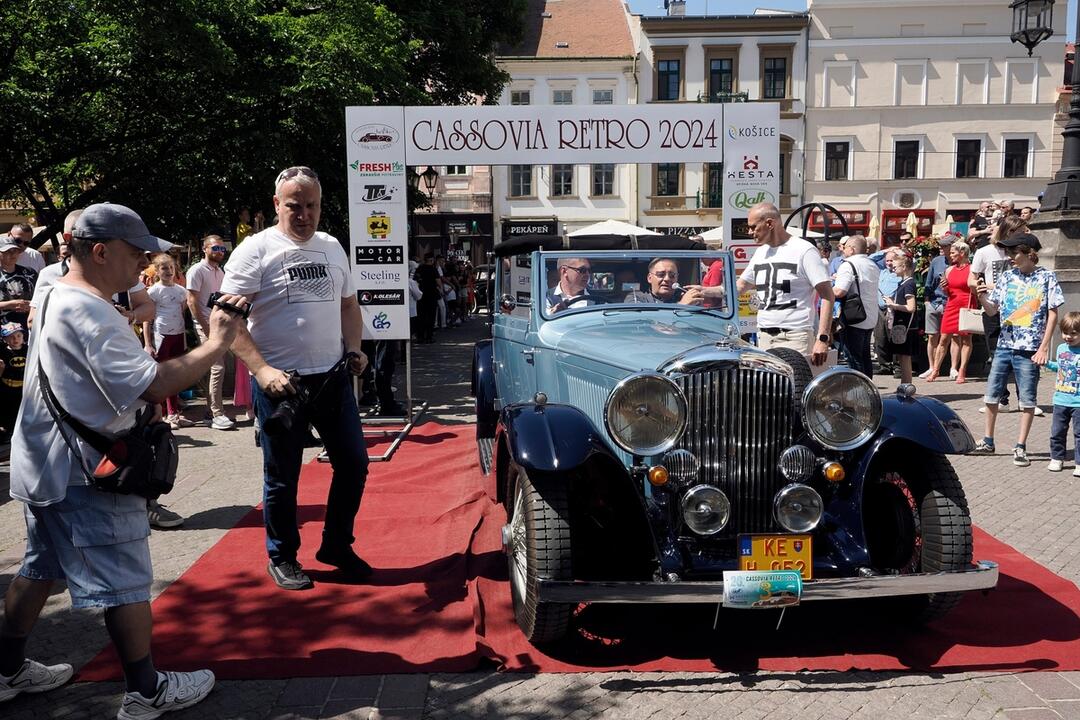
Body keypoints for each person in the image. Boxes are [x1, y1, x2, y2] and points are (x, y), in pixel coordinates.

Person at [0, 202, 247, 715]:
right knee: (128, 581)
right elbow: (155, 381)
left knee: (41, 565)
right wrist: (220, 341)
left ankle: (7, 670)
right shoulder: (89, 309)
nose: (146, 263)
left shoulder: (51, 285)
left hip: (44, 463)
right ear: (99, 250)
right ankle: (146, 690)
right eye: (136, 253)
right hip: (89, 471)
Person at [221, 166, 371, 592]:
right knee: (283, 476)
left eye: (311, 206)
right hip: (281, 384)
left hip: (333, 378)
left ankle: (336, 546)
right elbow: (227, 320)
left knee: (355, 464)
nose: (304, 214)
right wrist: (262, 371)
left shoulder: (331, 246)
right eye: (294, 206)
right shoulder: (255, 250)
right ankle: (282, 554)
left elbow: (349, 305)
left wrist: (355, 347)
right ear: (276, 206)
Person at [972, 233, 1063, 465]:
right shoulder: (1007, 277)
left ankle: (1020, 446)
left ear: (1029, 253)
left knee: (1028, 399)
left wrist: (1044, 347)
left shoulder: (1046, 277)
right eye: (1009, 253)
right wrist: (981, 296)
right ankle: (988, 440)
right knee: (992, 394)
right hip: (1004, 344)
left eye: (1014, 252)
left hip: (1030, 348)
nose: (1010, 257)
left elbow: (1053, 313)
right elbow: (993, 311)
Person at [736, 202, 834, 364]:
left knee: (796, 387)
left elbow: (828, 295)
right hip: (765, 336)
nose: (750, 232)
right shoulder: (761, 253)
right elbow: (739, 287)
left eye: (753, 227)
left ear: (769, 224)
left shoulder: (804, 250)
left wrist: (822, 338)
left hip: (796, 336)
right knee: (769, 388)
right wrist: (705, 292)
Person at [26, 209, 156, 330]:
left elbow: (148, 307)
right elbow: (33, 322)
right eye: (135, 253)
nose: (145, 263)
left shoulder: (122, 272)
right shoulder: (50, 274)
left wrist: (129, 316)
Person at [970, 214, 1030, 413]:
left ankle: (1026, 400)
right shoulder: (985, 252)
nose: (1025, 234)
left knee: (1022, 355)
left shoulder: (1023, 252)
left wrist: (992, 284)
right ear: (1010, 232)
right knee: (997, 355)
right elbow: (972, 279)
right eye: (1021, 232)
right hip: (992, 308)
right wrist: (979, 287)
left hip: (1017, 309)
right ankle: (1001, 399)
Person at [186, 235, 235, 430]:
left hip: (219, 324)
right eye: (215, 248)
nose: (219, 252)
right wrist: (205, 327)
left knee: (215, 368)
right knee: (218, 368)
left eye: (222, 249)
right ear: (204, 249)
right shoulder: (197, 270)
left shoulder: (219, 271)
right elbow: (191, 301)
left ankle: (210, 411)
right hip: (206, 325)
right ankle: (217, 413)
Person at [143, 254, 192, 430]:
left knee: (177, 375)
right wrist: (148, 344)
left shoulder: (180, 290)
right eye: (164, 268)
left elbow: (183, 310)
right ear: (156, 271)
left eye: (171, 268)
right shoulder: (153, 291)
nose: (168, 271)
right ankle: (165, 414)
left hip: (178, 335)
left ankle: (174, 413)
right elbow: (147, 319)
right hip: (162, 336)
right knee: (163, 376)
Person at [831, 235, 880, 377]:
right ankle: (869, 389)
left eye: (845, 247)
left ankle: (861, 394)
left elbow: (840, 291)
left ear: (852, 249)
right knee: (865, 357)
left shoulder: (848, 265)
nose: (842, 250)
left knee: (853, 358)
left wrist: (826, 290)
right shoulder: (872, 264)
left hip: (854, 317)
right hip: (869, 315)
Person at [928, 241, 974, 383]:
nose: (951, 255)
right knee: (943, 338)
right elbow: (948, 293)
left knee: (966, 339)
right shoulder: (949, 270)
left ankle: (962, 370)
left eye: (953, 252)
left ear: (962, 253)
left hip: (966, 304)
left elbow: (974, 290)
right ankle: (935, 369)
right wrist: (944, 287)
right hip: (952, 304)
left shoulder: (972, 269)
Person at [1045, 312, 1080, 474]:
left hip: (1078, 402)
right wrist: (1046, 363)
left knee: (1079, 434)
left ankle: (1079, 463)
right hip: (1060, 399)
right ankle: (1057, 458)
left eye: (1074, 333)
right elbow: (1059, 367)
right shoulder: (1060, 349)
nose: (1068, 337)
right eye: (1066, 333)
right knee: (1057, 431)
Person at [919, 231, 958, 379]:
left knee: (953, 337)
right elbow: (928, 283)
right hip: (935, 302)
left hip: (951, 302)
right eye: (940, 245)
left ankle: (953, 368)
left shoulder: (959, 262)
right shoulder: (936, 261)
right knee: (932, 336)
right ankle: (931, 367)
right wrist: (927, 301)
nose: (941, 248)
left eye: (945, 245)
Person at [883, 252, 917, 384]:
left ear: (904, 267)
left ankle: (907, 385)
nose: (893, 268)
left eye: (896, 266)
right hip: (902, 324)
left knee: (905, 357)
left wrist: (893, 305)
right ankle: (905, 384)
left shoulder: (908, 284)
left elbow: (911, 307)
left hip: (906, 325)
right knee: (902, 357)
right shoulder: (904, 283)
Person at [623, 258, 704, 305]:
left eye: (672, 275)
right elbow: (640, 319)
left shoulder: (686, 297)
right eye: (661, 274)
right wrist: (682, 305)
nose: (667, 279)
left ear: (677, 279)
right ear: (649, 278)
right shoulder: (636, 298)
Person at [0, 236, 36, 330]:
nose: (13, 254)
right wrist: (10, 305)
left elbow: (42, 296)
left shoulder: (30, 272)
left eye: (15, 250)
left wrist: (32, 304)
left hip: (29, 326)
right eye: (7, 251)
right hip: (4, 329)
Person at [0, 322, 26, 442]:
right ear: (5, 339)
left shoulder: (27, 350)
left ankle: (23, 430)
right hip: (7, 387)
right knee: (8, 410)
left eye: (18, 336)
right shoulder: (3, 353)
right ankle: (9, 431)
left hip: (23, 387)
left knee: (22, 409)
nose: (15, 339)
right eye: (11, 337)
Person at [415, 254, 439, 343]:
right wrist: (440, 289)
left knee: (421, 316)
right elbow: (438, 281)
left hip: (421, 295)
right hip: (432, 295)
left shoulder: (419, 269)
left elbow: (416, 279)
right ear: (432, 260)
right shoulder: (433, 269)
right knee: (431, 316)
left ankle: (420, 336)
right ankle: (429, 336)